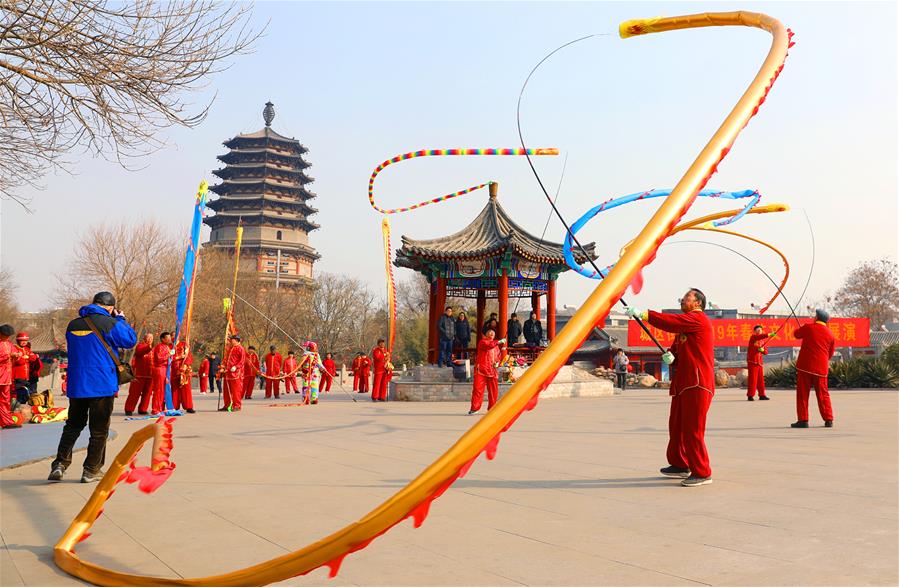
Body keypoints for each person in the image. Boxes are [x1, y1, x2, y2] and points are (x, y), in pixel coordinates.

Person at [627, 287, 715, 487]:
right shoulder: (686, 327)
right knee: (676, 426)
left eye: (686, 298)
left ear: (698, 303)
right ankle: (679, 463)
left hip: (698, 383)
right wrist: (672, 357)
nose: (682, 301)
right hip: (684, 383)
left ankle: (702, 471)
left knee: (693, 429)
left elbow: (672, 322)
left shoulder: (698, 319)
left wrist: (645, 314)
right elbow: (677, 351)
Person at [49, 292, 137, 483]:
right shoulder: (109, 323)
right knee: (98, 430)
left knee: (72, 425)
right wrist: (120, 319)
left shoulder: (74, 324)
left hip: (78, 384)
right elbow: (130, 340)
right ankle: (91, 470)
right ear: (110, 307)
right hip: (101, 384)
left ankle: (59, 464)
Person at [792, 309, 836, 428]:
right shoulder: (830, 334)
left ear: (816, 318)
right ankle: (828, 419)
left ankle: (803, 420)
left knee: (802, 394)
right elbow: (830, 353)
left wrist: (801, 328)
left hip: (805, 366)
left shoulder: (809, 327)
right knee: (823, 394)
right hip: (821, 368)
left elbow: (796, 334)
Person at [469, 329, 506, 414]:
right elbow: (489, 345)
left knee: (494, 391)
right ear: (486, 334)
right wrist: (499, 341)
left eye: (493, 333)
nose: (492, 334)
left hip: (492, 370)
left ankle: (492, 408)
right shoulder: (483, 342)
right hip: (481, 369)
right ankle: (474, 408)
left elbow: (498, 357)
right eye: (490, 332)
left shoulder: (496, 346)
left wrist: (497, 363)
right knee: (478, 389)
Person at [124, 333, 153, 415]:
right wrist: (149, 347)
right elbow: (141, 352)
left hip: (150, 375)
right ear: (145, 338)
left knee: (147, 394)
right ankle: (129, 409)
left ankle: (143, 409)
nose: (150, 339)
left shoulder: (153, 349)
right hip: (139, 374)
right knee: (134, 393)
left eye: (152, 338)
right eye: (149, 337)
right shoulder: (140, 346)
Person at [0, 324, 22, 429]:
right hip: (1, 375)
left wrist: (17, 355)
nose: (7, 337)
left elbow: (15, 354)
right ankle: (6, 421)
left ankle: (6, 421)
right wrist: (8, 356)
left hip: (6, 376)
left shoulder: (9, 344)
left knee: (5, 399)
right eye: (5, 335)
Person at [746, 325, 774, 401]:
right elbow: (759, 337)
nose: (759, 331)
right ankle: (750, 395)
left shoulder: (762, 341)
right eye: (757, 330)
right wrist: (768, 334)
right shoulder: (753, 338)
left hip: (759, 363)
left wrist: (763, 350)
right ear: (754, 331)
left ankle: (762, 395)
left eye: (760, 330)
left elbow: (766, 352)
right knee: (753, 380)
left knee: (761, 380)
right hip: (752, 362)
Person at [149, 332, 173, 414]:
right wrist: (169, 355)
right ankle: (155, 409)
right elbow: (159, 359)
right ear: (163, 339)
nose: (170, 339)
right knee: (158, 390)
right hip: (159, 369)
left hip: (165, 370)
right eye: (168, 338)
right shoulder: (159, 347)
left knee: (163, 390)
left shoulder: (166, 347)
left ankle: (160, 408)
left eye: (170, 337)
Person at [221, 334, 245, 411]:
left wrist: (236, 367)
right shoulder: (230, 348)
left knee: (236, 391)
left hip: (235, 373)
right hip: (227, 372)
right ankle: (227, 405)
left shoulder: (240, 348)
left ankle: (237, 405)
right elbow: (226, 359)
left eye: (232, 339)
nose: (231, 340)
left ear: (236, 340)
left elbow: (242, 361)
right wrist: (223, 367)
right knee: (226, 391)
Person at [12, 332, 38, 404]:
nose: (24, 342)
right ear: (18, 341)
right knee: (19, 394)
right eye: (22, 341)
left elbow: (34, 357)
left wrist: (26, 357)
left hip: (26, 376)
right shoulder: (15, 349)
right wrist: (26, 358)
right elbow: (19, 362)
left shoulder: (26, 349)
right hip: (17, 376)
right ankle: (17, 409)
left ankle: (21, 407)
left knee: (25, 394)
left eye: (25, 341)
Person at [171, 340, 194, 413]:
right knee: (175, 389)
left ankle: (189, 406)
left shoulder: (184, 344)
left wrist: (186, 364)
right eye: (172, 336)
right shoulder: (170, 346)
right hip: (174, 370)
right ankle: (175, 407)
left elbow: (189, 356)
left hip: (184, 370)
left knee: (186, 388)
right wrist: (179, 357)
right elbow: (169, 358)